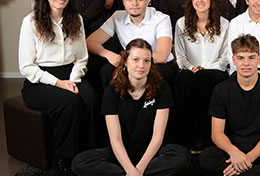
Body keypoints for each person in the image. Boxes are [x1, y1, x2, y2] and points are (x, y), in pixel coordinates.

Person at [72, 39, 190, 176]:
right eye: (136, 59)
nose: (141, 65)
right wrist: (130, 170)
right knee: (79, 162)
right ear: (126, 62)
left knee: (182, 156)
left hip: (153, 152)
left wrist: (138, 170)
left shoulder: (162, 89)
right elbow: (115, 139)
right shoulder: (112, 92)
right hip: (122, 151)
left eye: (147, 61)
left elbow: (158, 136)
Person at [19, 0, 96, 175]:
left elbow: (81, 58)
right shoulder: (31, 22)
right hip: (40, 79)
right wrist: (58, 83)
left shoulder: (76, 19)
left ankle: (87, 155)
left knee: (89, 98)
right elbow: (26, 66)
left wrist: (73, 80)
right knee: (68, 103)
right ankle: (64, 159)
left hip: (71, 74)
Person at [199, 34, 260, 176]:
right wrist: (234, 153)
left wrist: (246, 159)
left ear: (259, 59)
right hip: (232, 144)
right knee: (206, 157)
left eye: (251, 57)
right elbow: (217, 134)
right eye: (241, 58)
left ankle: (235, 172)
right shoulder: (221, 90)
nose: (246, 63)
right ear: (233, 60)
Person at [174, 0, 230, 150]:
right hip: (191, 71)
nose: (200, 0)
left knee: (202, 79)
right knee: (183, 78)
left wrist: (206, 70)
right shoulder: (181, 23)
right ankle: (183, 136)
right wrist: (192, 68)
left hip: (215, 72)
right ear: (190, 1)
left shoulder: (225, 24)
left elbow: (226, 56)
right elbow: (180, 56)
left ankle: (204, 135)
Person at [86, 0, 175, 89]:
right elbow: (90, 42)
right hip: (129, 64)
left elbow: (162, 56)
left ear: (147, 1)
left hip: (156, 64)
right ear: (124, 2)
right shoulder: (117, 17)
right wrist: (107, 54)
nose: (134, 4)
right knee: (106, 70)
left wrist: (128, 62)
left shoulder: (161, 19)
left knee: (153, 75)